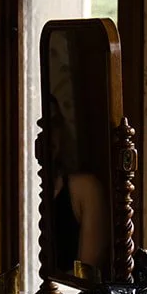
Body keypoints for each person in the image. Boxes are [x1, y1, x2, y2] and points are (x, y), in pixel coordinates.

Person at [49, 93, 110, 276]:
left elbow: (86, 276)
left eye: (55, 124)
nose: (49, 134)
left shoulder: (83, 189)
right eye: (40, 125)